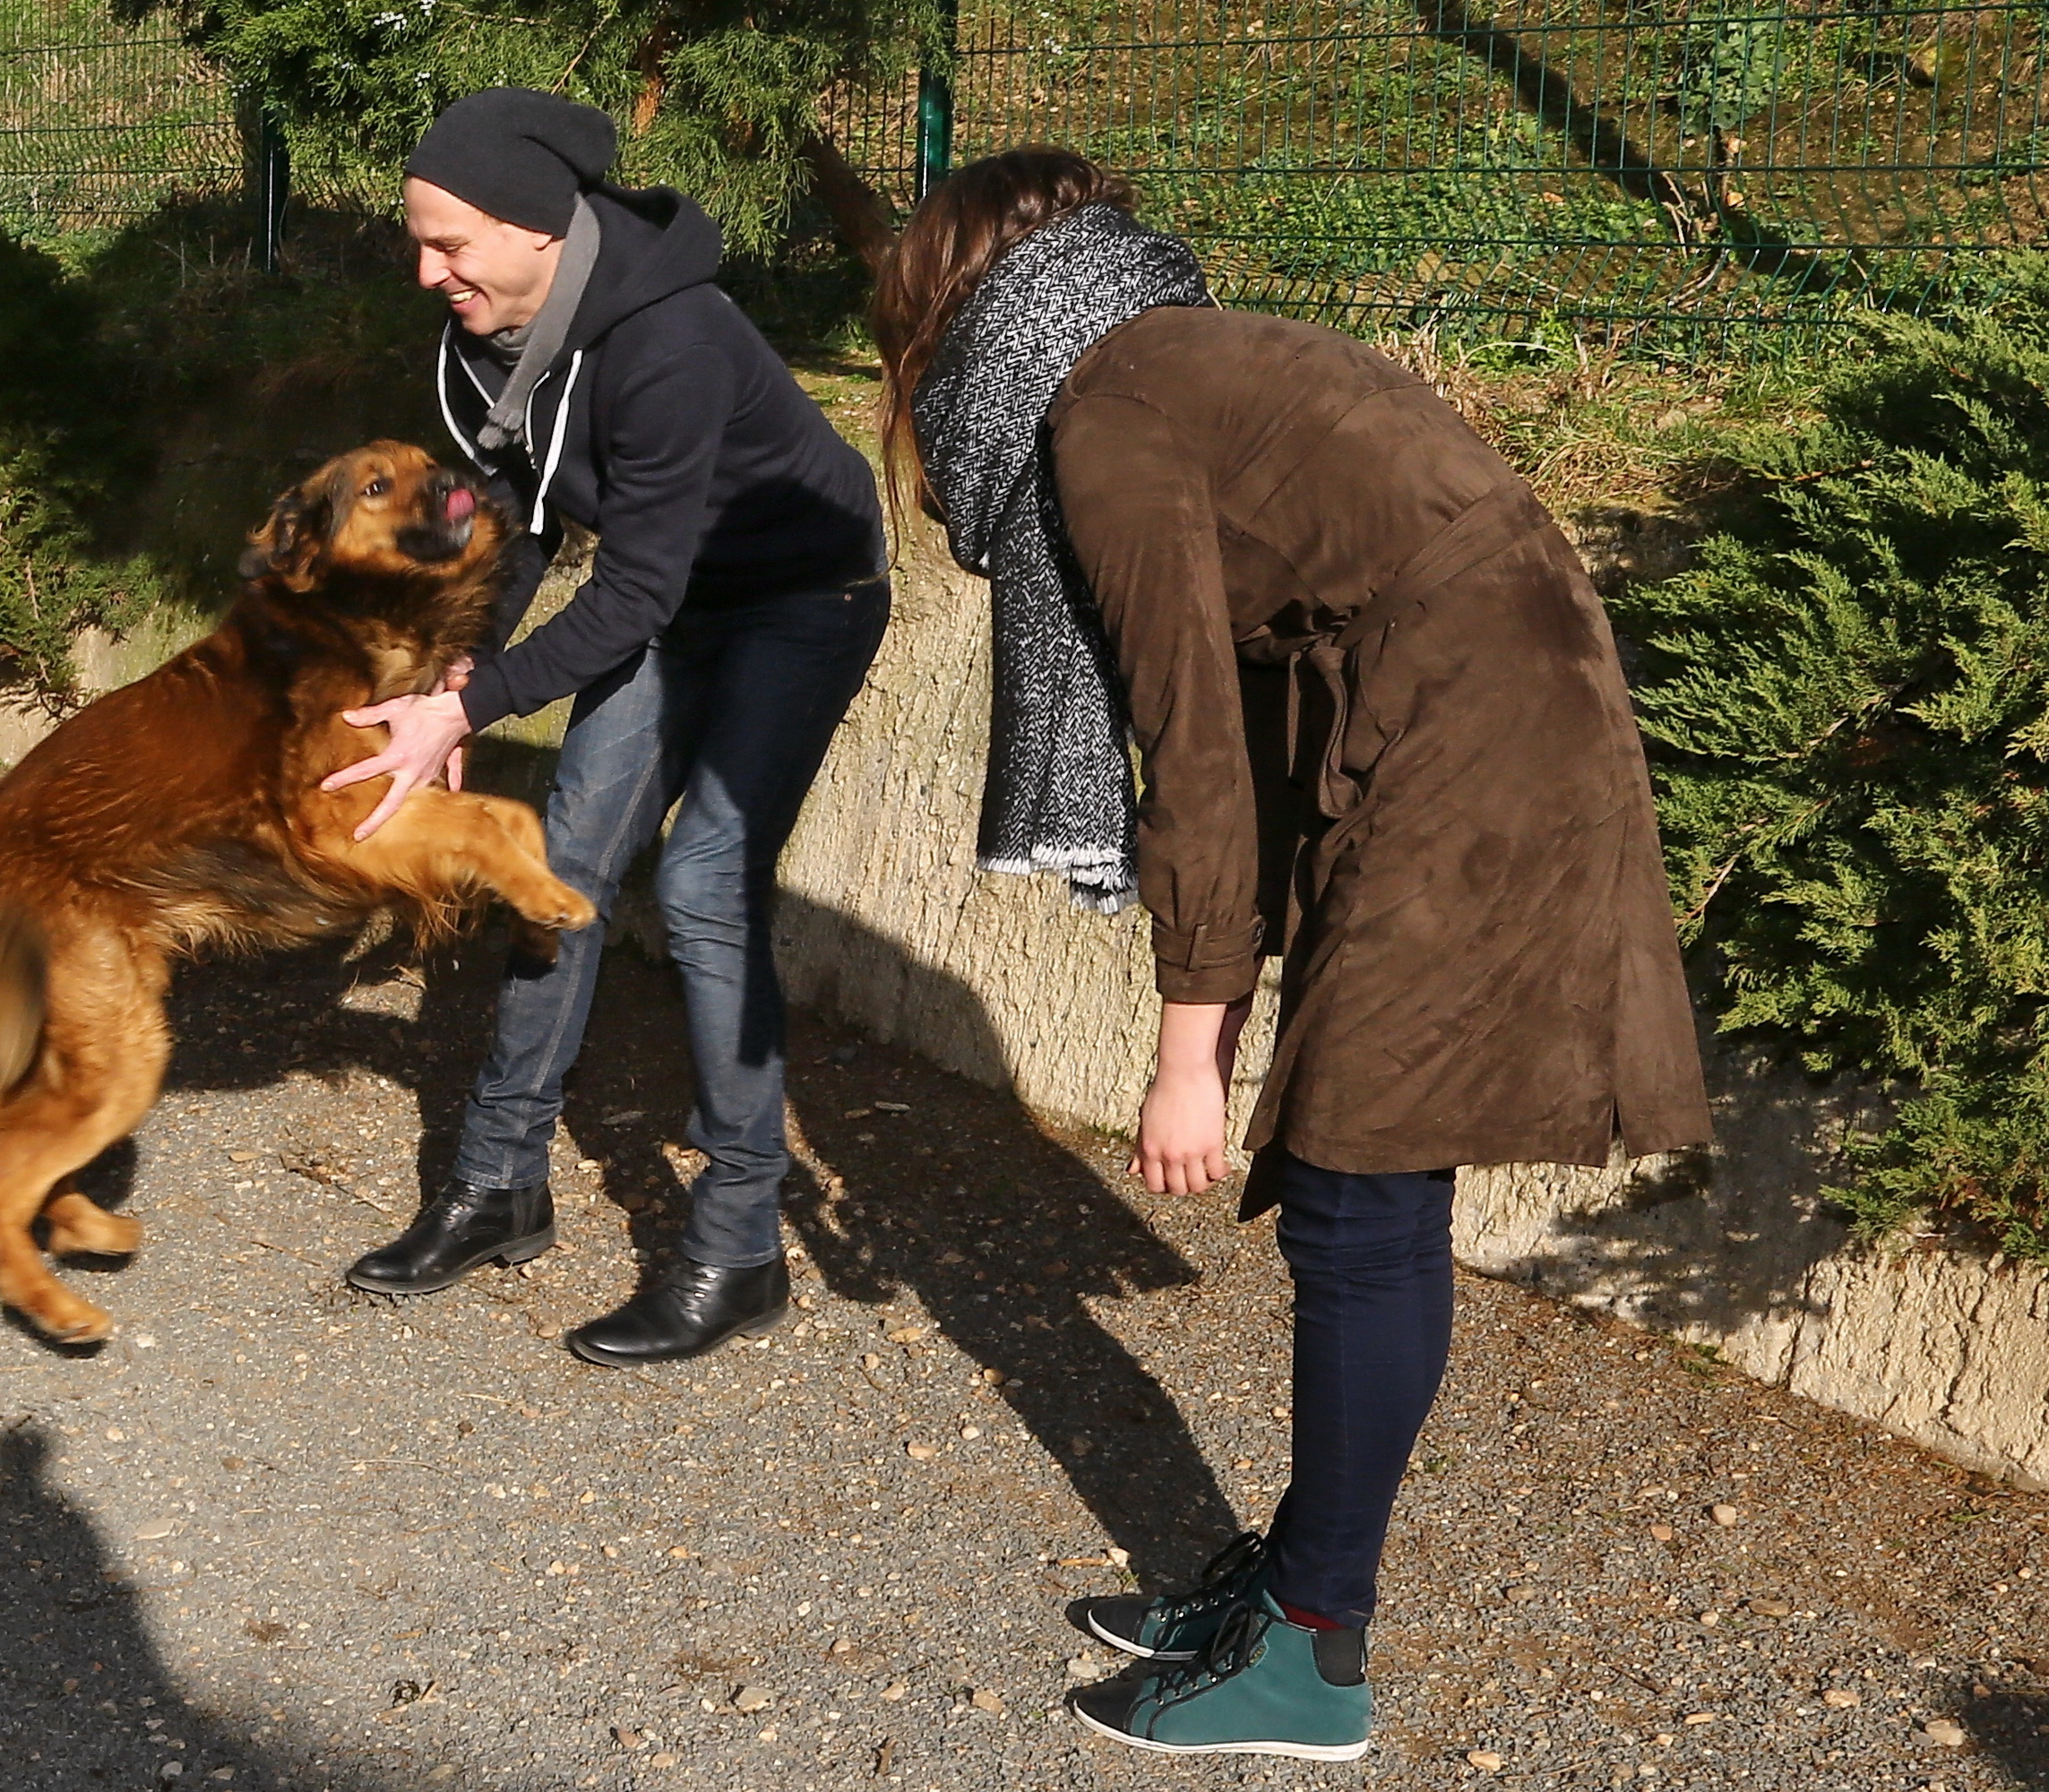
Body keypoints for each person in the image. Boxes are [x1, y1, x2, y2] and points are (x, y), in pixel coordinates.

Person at [871, 150, 1711, 1760]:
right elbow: (1248, 718)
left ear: (953, 309)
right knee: (1356, 1183)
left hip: (1471, 733)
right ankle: (1296, 1589)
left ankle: (1314, 1651)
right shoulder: (1160, 360)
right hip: (1453, 707)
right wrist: (1235, 970)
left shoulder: (1108, 417)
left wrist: (1189, 1055)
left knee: (1360, 1192)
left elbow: (1190, 745)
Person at [332, 89, 890, 1368]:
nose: (427, 273)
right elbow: (512, 521)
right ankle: (496, 1186)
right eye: (418, 243)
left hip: (799, 600)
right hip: (672, 601)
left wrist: (468, 706)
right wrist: (462, 668)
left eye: (450, 244)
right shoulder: (482, 335)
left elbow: (633, 591)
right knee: (562, 867)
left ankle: (738, 1248)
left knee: (702, 887)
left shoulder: (671, 341)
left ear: (535, 225)